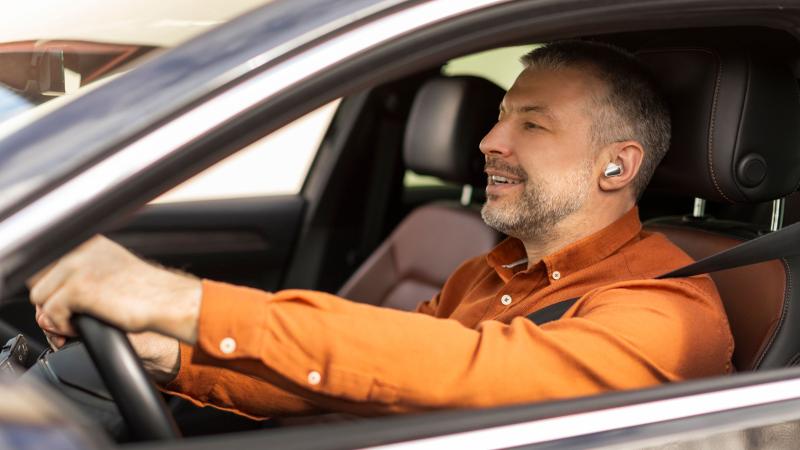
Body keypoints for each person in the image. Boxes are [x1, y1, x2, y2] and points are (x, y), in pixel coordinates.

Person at [28, 41, 733, 418]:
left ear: (617, 166)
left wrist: (187, 305)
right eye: (499, 116)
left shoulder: (670, 306)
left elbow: (474, 374)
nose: (489, 139)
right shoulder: (488, 272)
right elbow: (359, 379)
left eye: (531, 123)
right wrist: (176, 359)